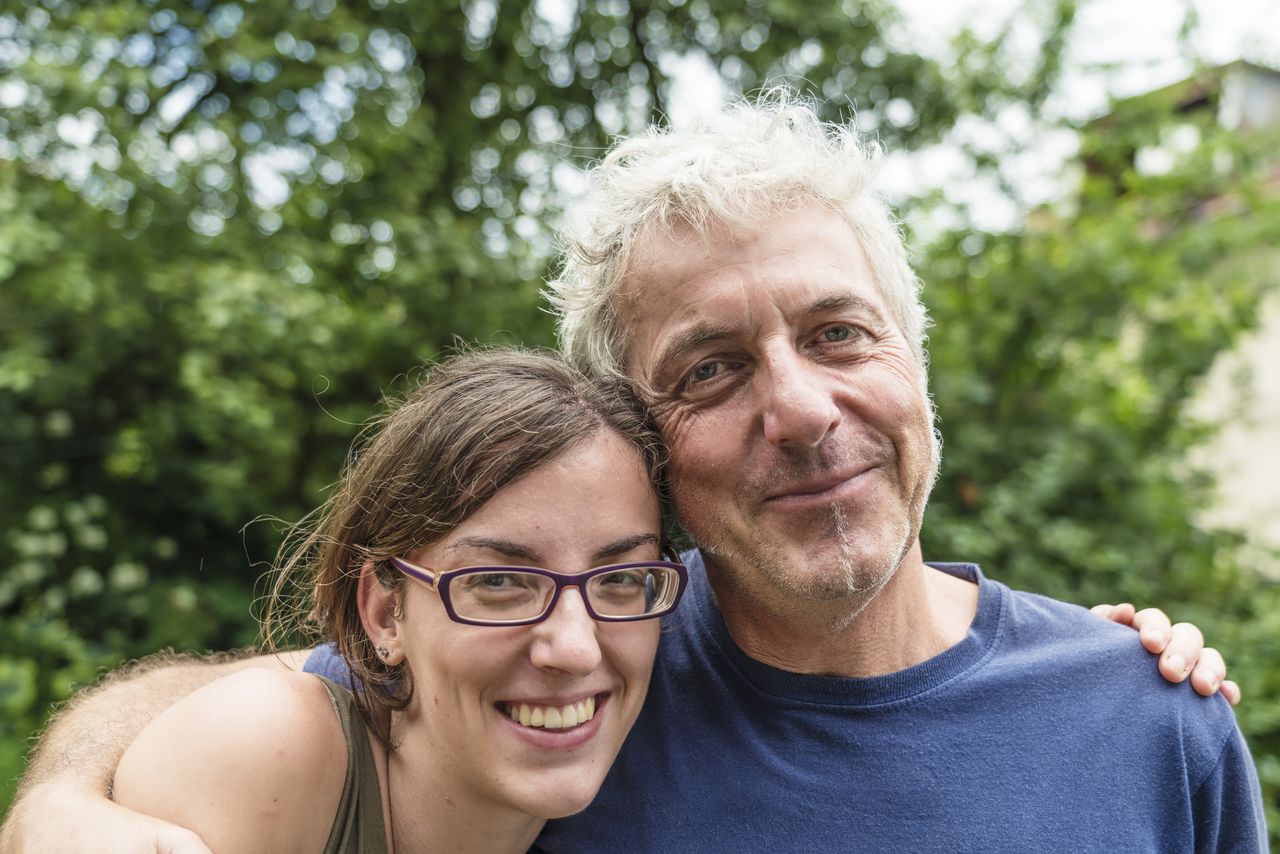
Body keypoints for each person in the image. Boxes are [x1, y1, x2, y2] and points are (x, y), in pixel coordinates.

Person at [0, 94, 1255, 853]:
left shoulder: (1152, 720)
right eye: (711, 368)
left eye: (838, 333)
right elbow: (263, 693)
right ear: (648, 451)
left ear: (914, 365)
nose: (803, 408)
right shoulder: (582, 666)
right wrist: (62, 797)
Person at [108, 347, 689, 853]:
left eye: (620, 578)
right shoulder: (262, 751)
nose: (575, 649)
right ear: (385, 614)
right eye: (496, 583)